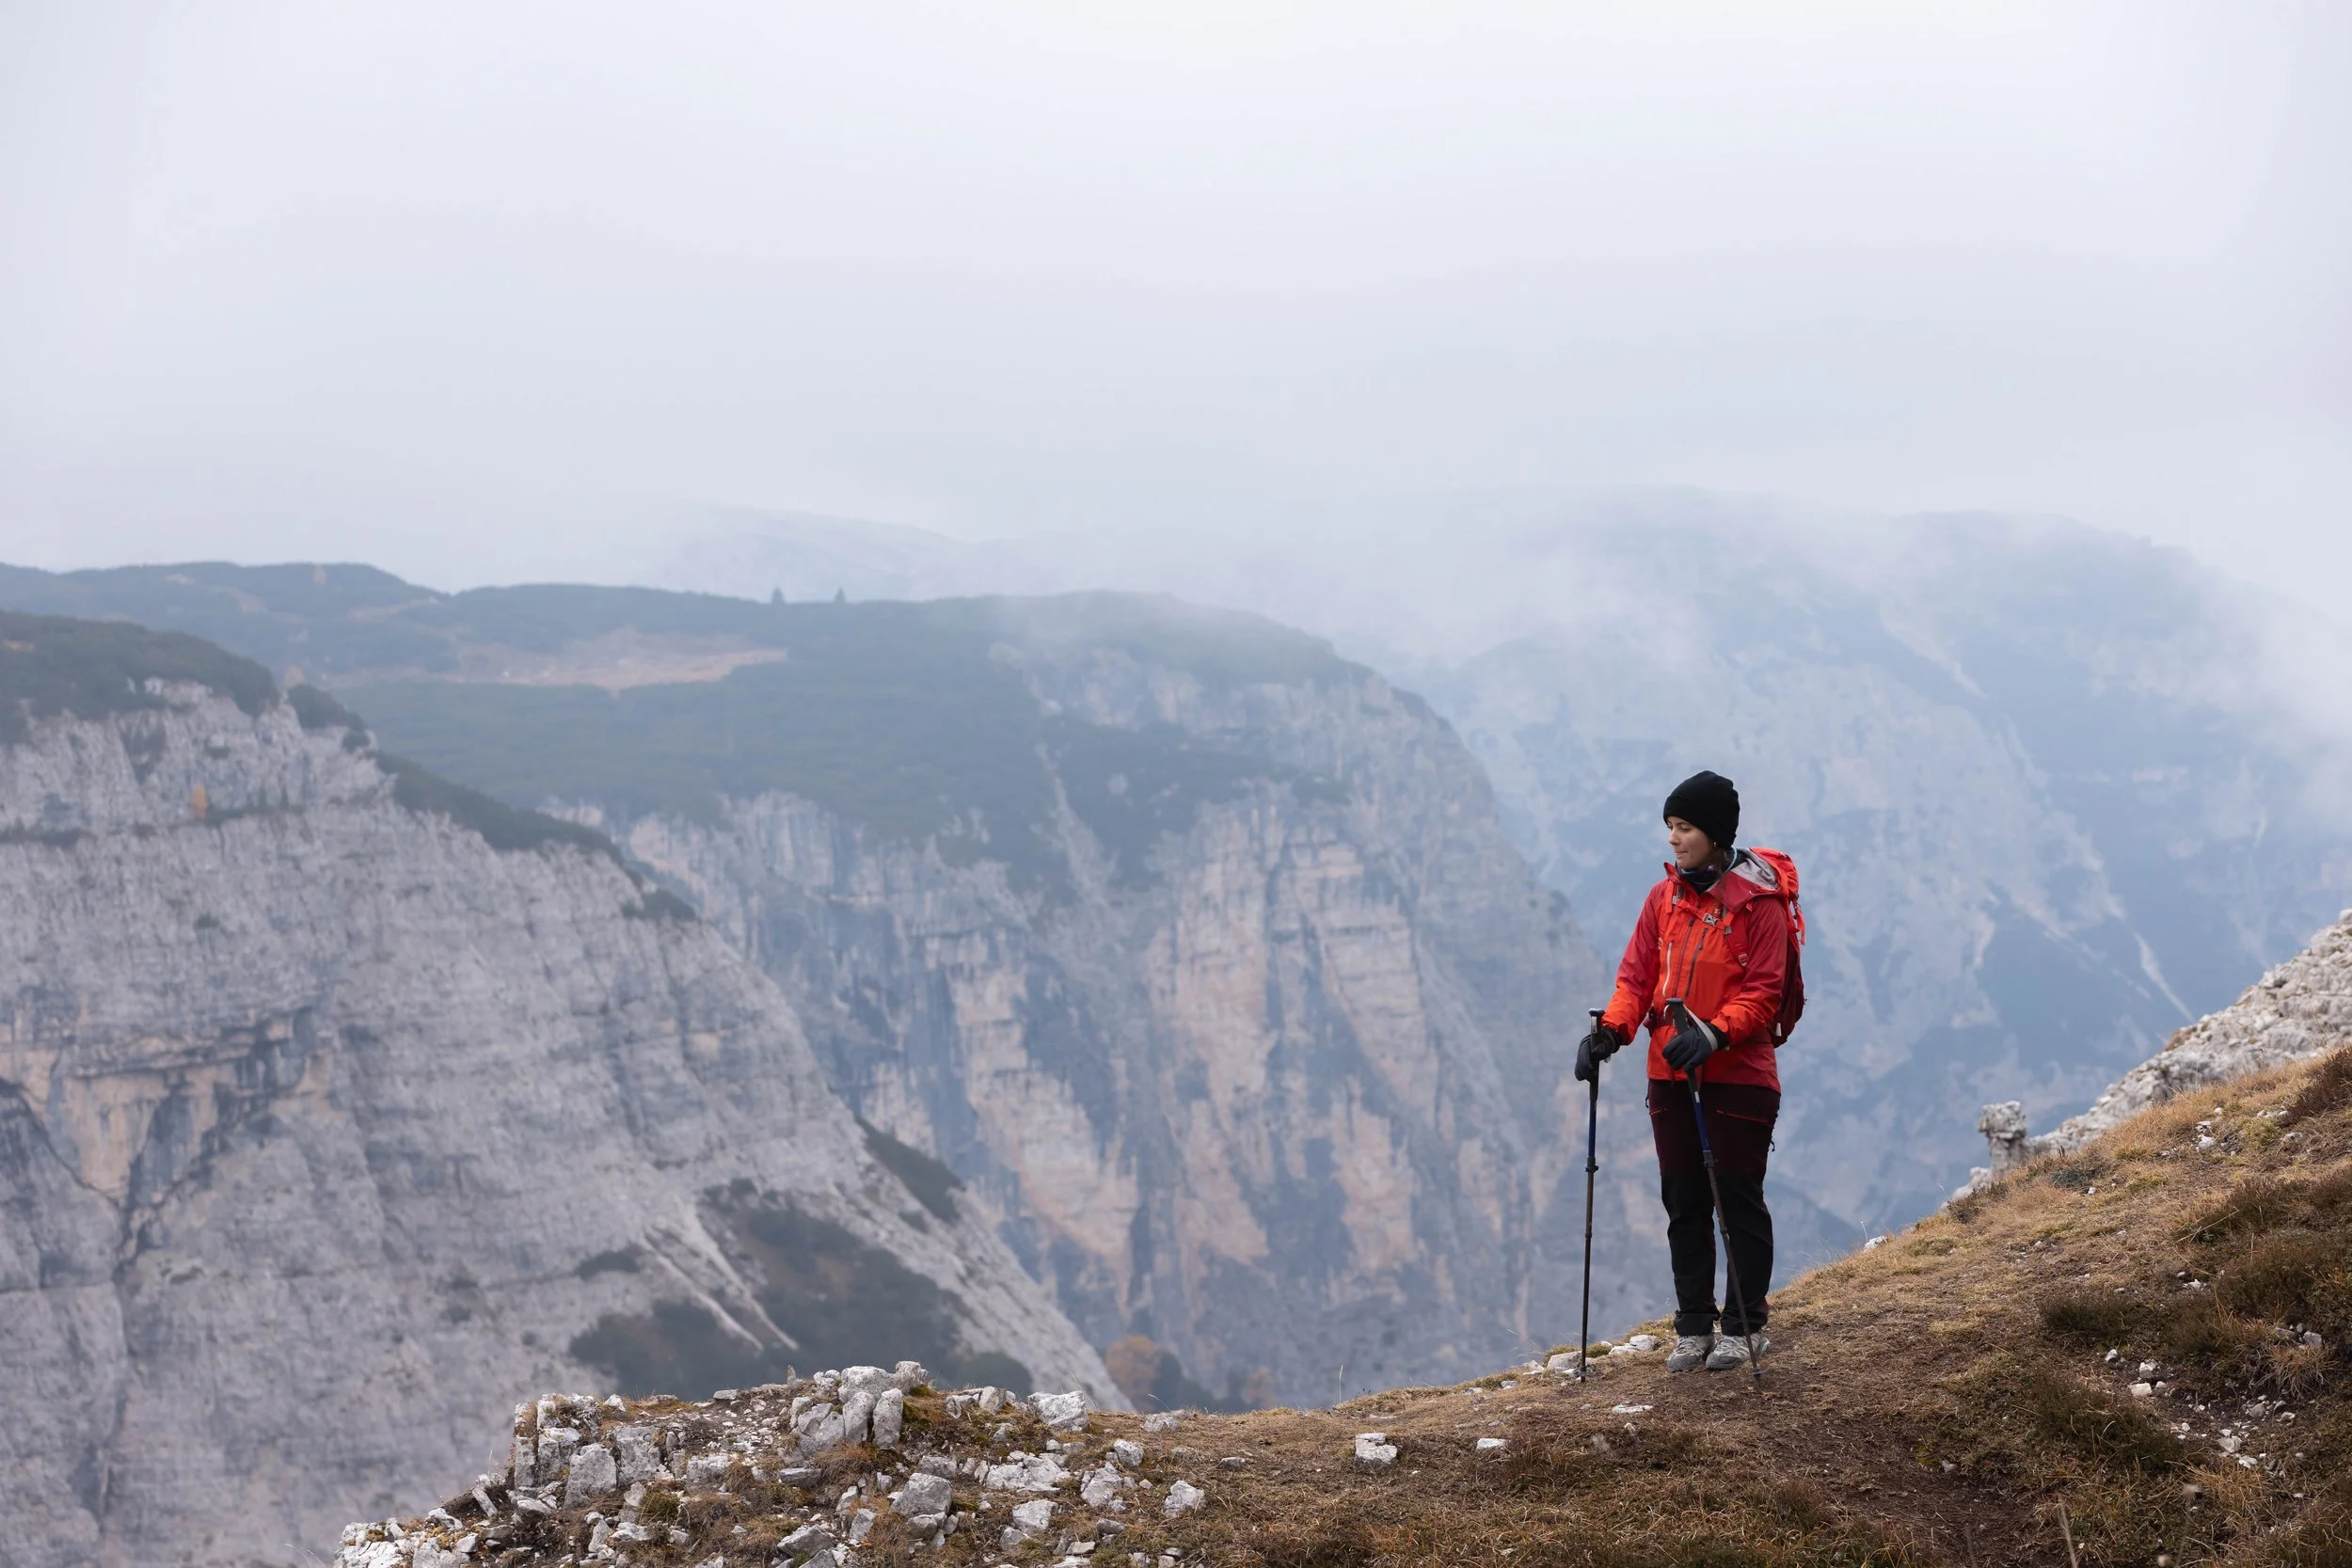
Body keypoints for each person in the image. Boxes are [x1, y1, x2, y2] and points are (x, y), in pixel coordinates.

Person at [1574, 769, 1789, 1373]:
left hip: (1738, 1075)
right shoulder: (1662, 899)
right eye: (1670, 826)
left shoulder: (1760, 906)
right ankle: (1693, 1325)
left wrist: (1714, 1033)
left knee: (1737, 1199)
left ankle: (1745, 1325)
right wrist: (1608, 1034)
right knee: (1683, 1199)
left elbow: (1765, 991)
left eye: (1685, 827)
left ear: (1716, 835)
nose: (1673, 839)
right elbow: (1636, 980)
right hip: (1670, 1074)